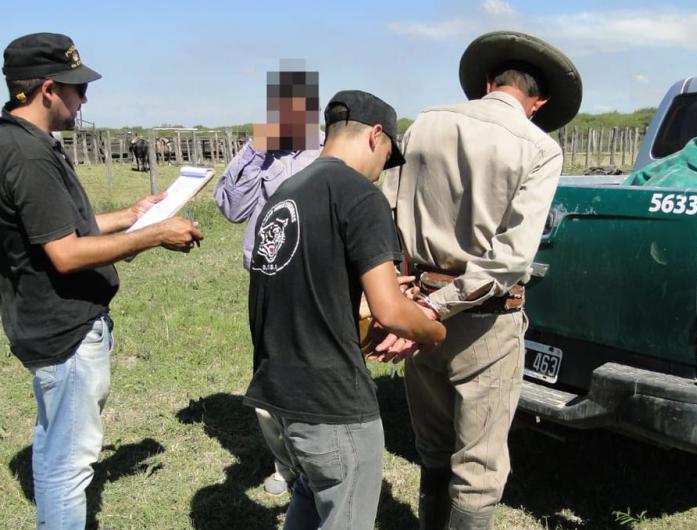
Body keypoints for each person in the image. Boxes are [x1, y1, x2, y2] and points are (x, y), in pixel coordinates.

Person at [0, 32, 203, 529]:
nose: (84, 98)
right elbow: (66, 253)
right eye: (76, 88)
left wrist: (131, 215)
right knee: (69, 464)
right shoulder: (27, 154)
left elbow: (61, 226)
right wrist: (152, 235)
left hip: (44, 320)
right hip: (63, 327)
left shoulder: (17, 141)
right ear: (47, 88)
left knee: (55, 445)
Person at [380, 31, 583, 529]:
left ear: (489, 82)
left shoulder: (425, 123)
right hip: (483, 322)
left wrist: (408, 300)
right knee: (480, 466)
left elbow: (384, 210)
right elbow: (510, 258)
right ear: (539, 101)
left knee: (433, 447)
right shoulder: (538, 147)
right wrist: (438, 306)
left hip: (413, 306)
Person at [243, 90, 446, 529]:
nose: (381, 172)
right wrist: (432, 332)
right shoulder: (359, 195)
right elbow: (390, 311)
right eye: (388, 157)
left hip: (281, 391)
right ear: (376, 136)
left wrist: (352, 299)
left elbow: (295, 289)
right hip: (333, 403)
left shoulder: (285, 193)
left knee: (310, 495)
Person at [213, 69, 321, 496]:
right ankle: (286, 465)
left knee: (312, 370)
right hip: (265, 278)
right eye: (279, 111)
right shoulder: (260, 154)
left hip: (310, 277)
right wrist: (256, 148)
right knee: (269, 370)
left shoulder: (327, 153)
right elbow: (230, 208)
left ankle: (315, 461)